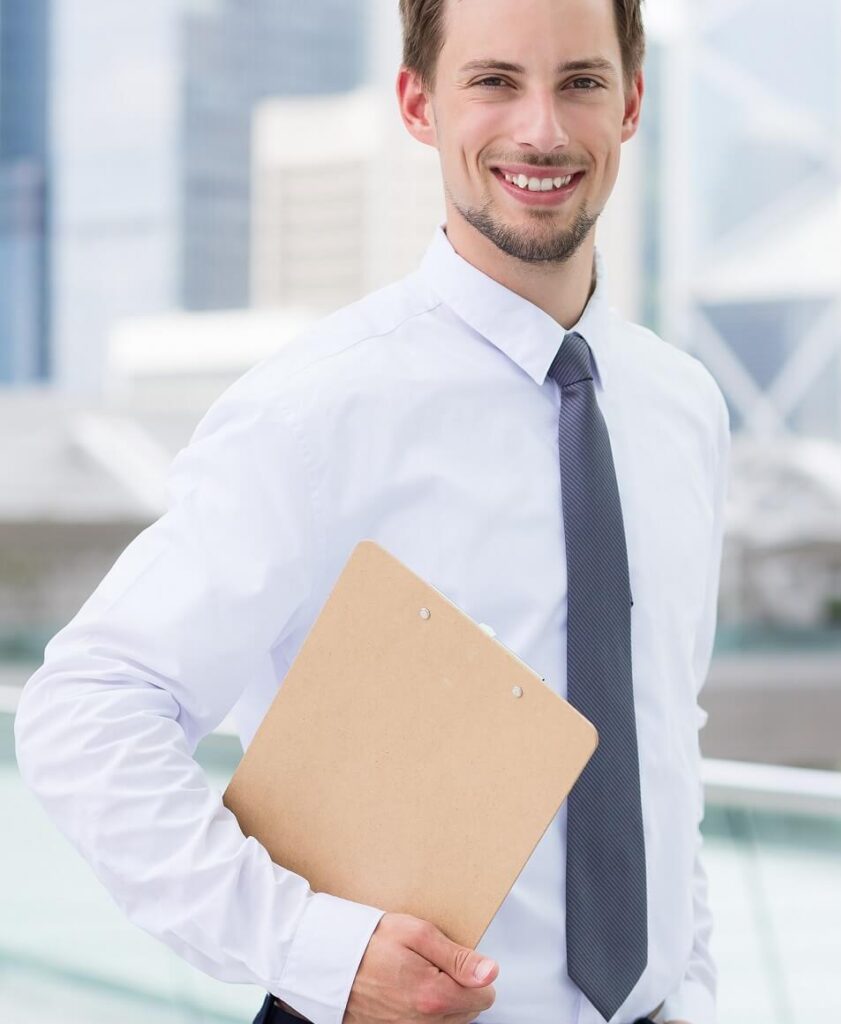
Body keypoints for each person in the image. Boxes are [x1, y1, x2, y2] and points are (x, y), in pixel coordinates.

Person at [14, 0, 730, 1022]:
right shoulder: (316, 409)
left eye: (580, 81)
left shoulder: (683, 407)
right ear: (417, 104)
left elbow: (664, 734)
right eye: (493, 81)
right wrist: (313, 948)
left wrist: (689, 988)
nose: (541, 130)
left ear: (632, 103)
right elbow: (86, 709)